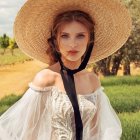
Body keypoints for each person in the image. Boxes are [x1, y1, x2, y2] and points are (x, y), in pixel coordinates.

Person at [0, 0, 132, 140]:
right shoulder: (45, 78)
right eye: (65, 36)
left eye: (80, 36)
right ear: (56, 43)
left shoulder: (92, 81)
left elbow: (97, 132)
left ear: (89, 41)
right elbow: (29, 134)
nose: (73, 44)